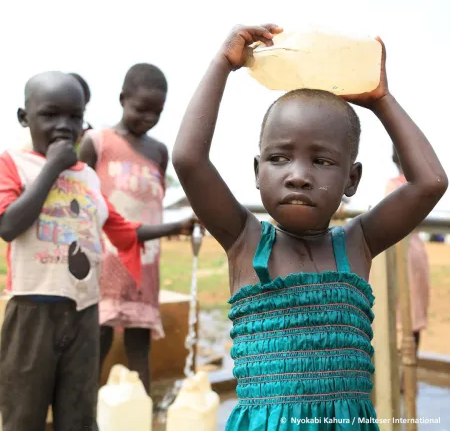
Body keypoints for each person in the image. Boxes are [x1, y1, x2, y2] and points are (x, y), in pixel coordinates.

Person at [172, 24, 447, 430]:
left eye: (321, 161)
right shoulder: (245, 240)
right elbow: (189, 160)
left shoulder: (358, 243)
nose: (298, 175)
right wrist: (221, 64)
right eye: (280, 158)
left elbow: (431, 183)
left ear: (351, 180)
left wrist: (381, 99)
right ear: (257, 170)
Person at [0, 71, 195, 431]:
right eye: (50, 114)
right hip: (33, 310)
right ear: (24, 118)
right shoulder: (14, 163)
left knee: (78, 415)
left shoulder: (87, 180)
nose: (64, 125)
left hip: (84, 314)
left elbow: (126, 232)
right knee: (23, 415)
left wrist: (177, 226)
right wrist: (54, 167)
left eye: (74, 116)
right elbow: (9, 225)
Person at [79, 63, 171, 392]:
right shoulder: (97, 142)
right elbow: (79, 199)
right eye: (140, 109)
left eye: (156, 112)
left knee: (139, 342)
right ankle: (83, 414)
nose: (148, 118)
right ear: (122, 99)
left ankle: (140, 414)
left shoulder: (159, 152)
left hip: (146, 260)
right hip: (104, 259)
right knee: (97, 338)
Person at [386, 146, 430, 355]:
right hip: (415, 251)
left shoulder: (393, 187)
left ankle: (398, 375)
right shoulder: (423, 187)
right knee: (414, 310)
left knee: (395, 311)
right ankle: (409, 377)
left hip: (397, 250)